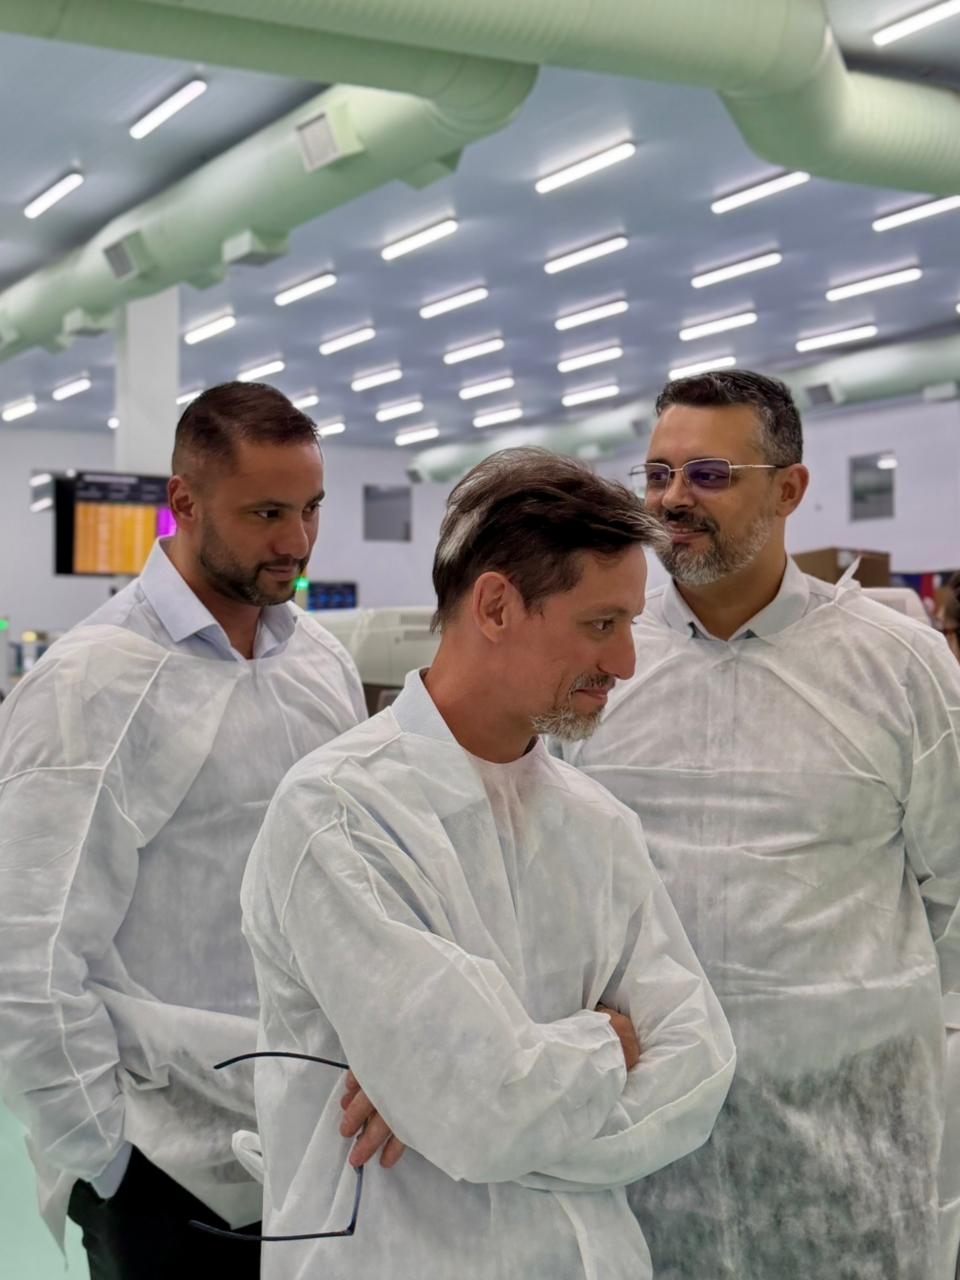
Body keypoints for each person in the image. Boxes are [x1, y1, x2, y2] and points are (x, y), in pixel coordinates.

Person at [239, 447, 736, 1280]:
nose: (625, 663)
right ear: (498, 606)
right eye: (601, 625)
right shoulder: (340, 815)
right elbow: (481, 1107)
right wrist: (610, 1040)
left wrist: (463, 1100)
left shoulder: (595, 823)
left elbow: (698, 1070)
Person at [558, 369, 960, 1280]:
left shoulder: (895, 665)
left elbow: (956, 888)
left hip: (846, 1148)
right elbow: (548, 875)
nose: (673, 500)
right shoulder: (599, 657)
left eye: (709, 475)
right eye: (658, 475)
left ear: (789, 490)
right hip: (638, 1137)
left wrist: (839, 1016)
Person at [0, 382, 366, 1278]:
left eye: (311, 509)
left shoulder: (320, 665)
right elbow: (29, 952)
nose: (296, 541)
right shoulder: (93, 685)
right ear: (185, 502)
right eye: (266, 513)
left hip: (316, 1138)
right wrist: (106, 1162)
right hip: (164, 1167)